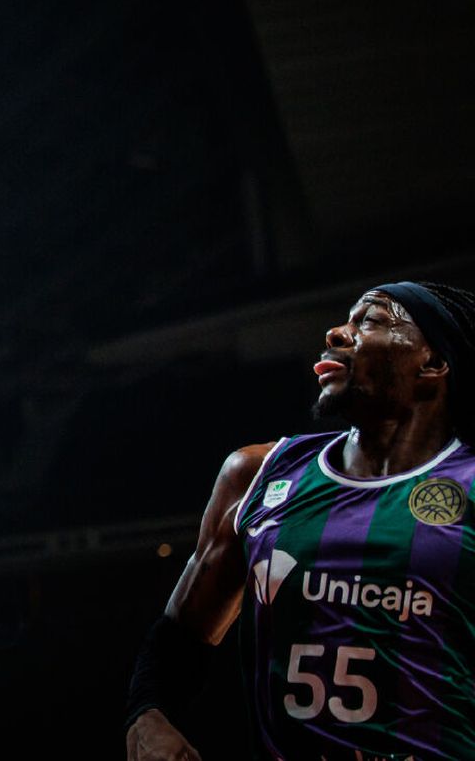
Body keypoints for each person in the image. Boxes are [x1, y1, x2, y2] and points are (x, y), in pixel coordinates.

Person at [125, 281, 475, 760]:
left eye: (369, 321)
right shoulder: (256, 473)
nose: (335, 333)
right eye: (345, 321)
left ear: (432, 364)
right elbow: (180, 638)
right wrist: (149, 715)